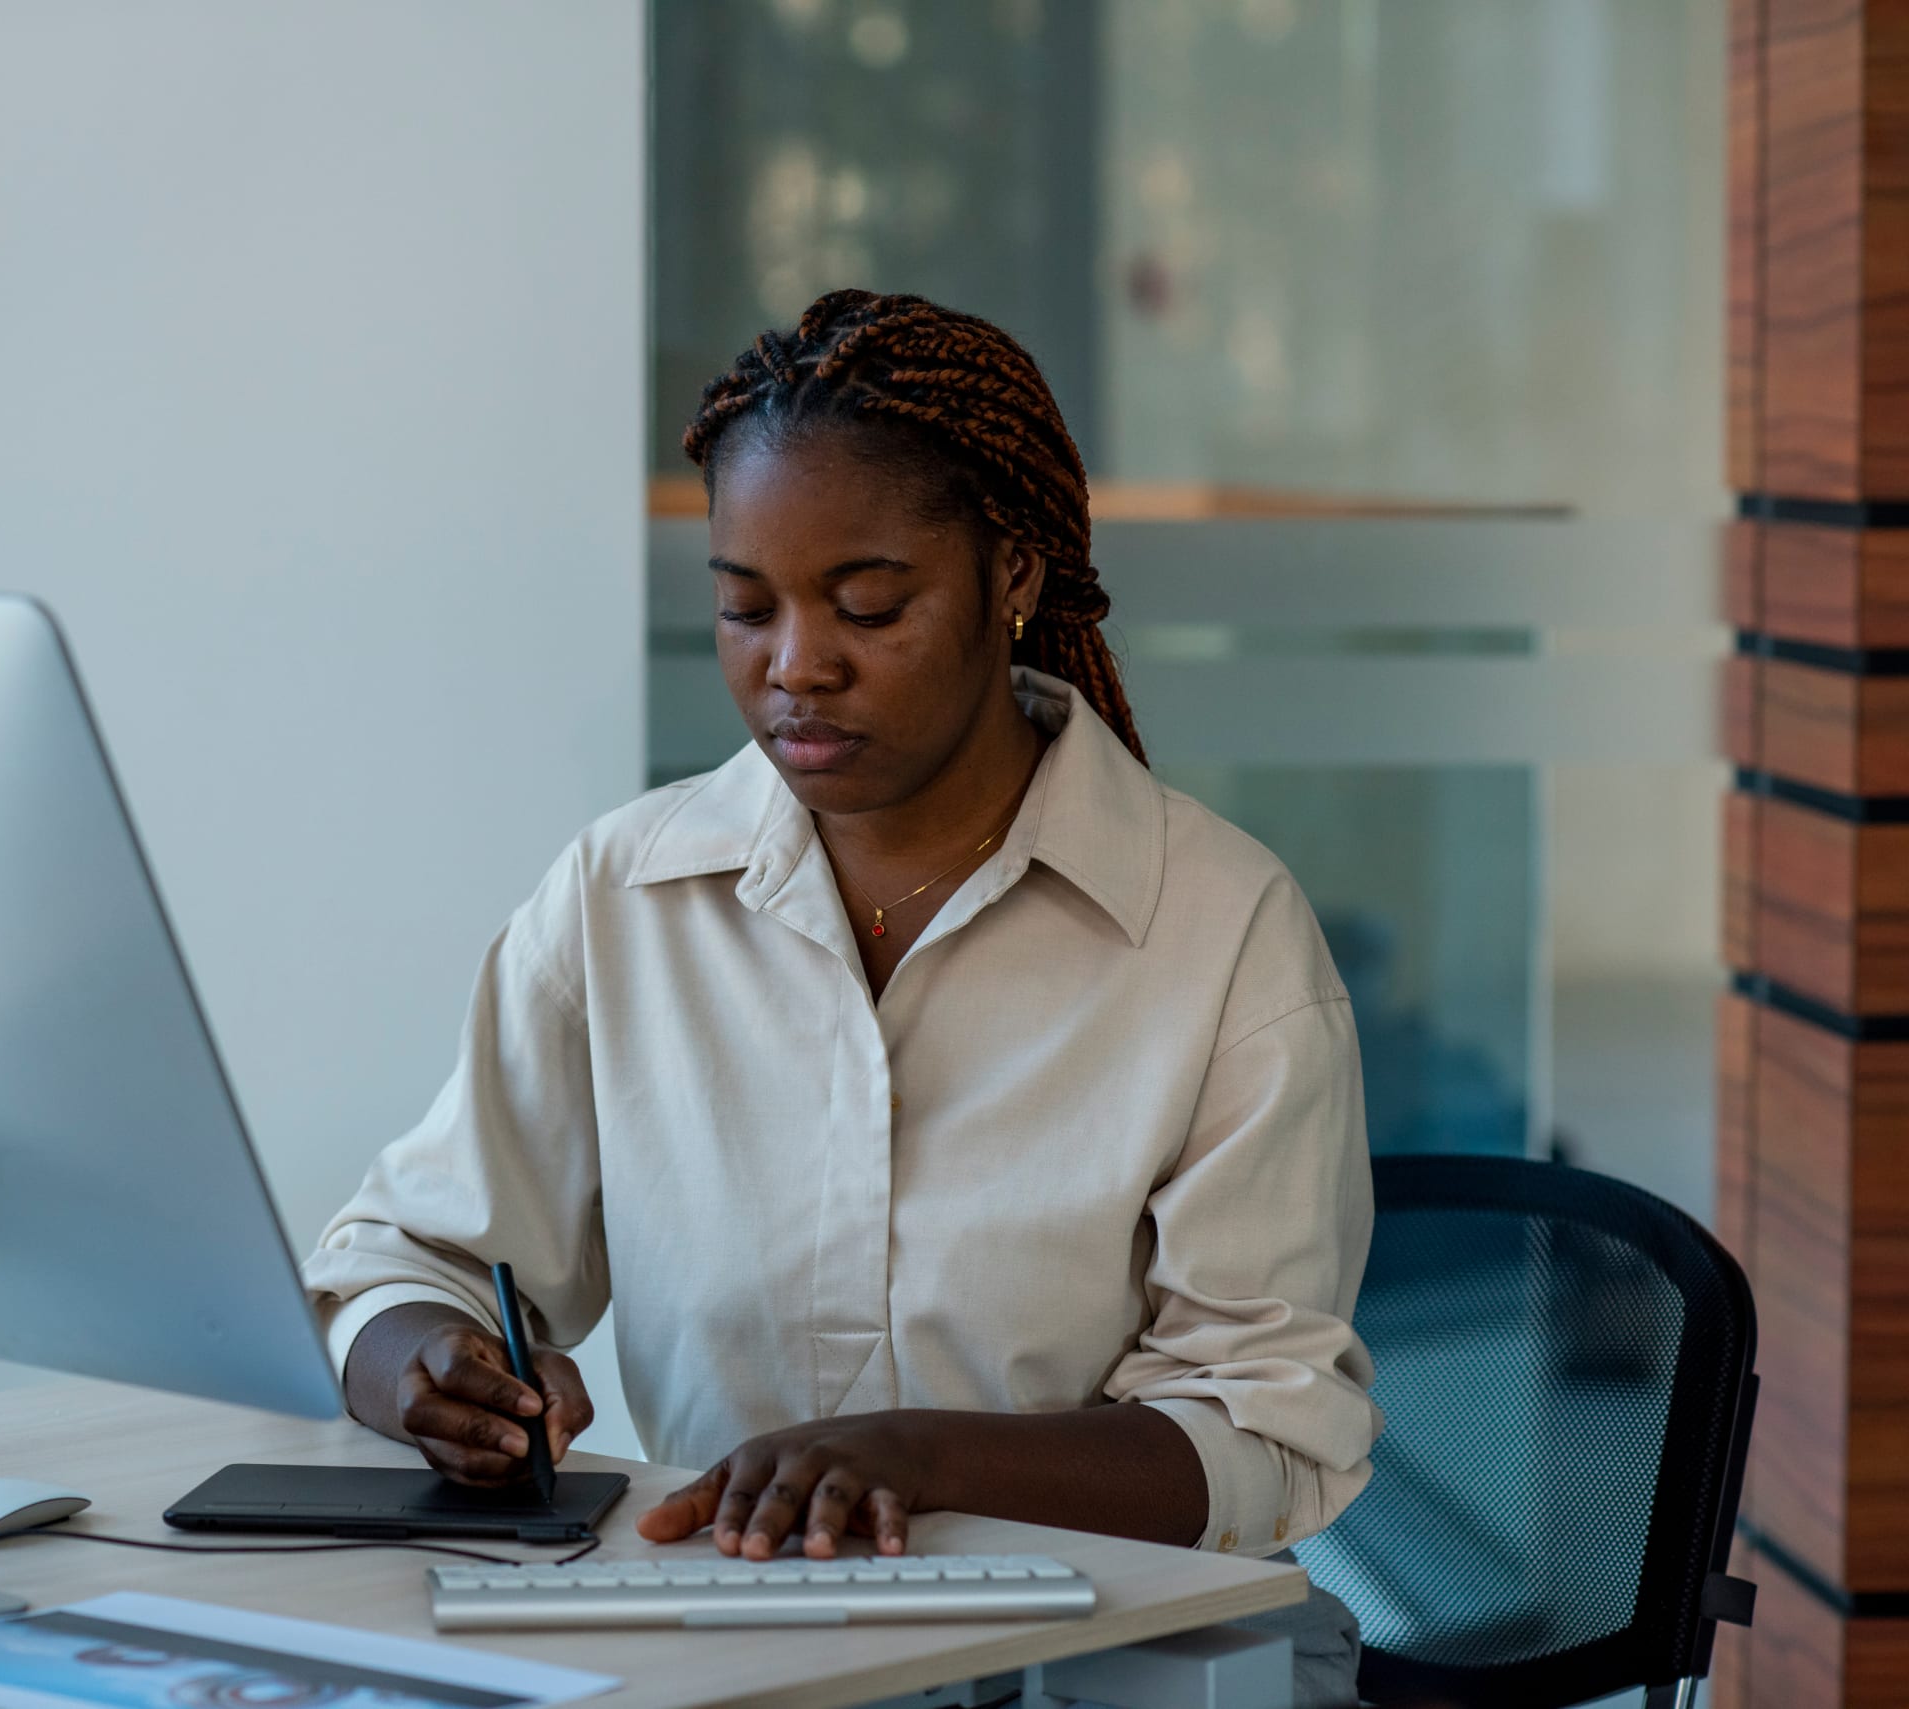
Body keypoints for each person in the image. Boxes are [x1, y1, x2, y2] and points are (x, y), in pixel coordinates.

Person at [300, 290, 1378, 1703]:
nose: (794, 663)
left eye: (869, 605)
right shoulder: (622, 896)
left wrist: (918, 1454)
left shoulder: (1221, 929)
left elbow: (1272, 1435)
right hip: (724, 1648)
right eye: (745, 607)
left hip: (1094, 1663)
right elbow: (403, 1256)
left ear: (1013, 577)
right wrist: (424, 1366)